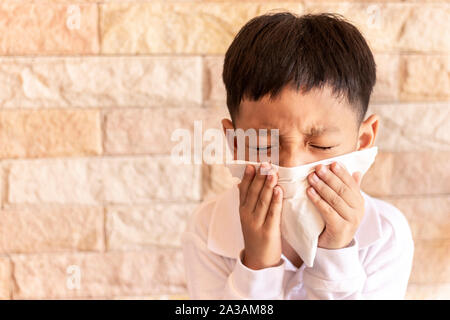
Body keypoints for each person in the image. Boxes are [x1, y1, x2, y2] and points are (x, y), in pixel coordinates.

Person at [182, 12, 414, 299]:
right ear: (235, 142)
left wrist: (336, 252)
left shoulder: (385, 234)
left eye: (322, 145)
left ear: (363, 140)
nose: (290, 164)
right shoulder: (208, 230)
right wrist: (258, 265)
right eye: (264, 145)